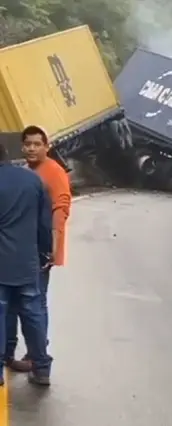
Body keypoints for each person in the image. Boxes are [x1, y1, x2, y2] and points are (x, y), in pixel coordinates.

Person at [5, 125, 71, 375]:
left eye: (37, 144)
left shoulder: (53, 172)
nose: (32, 148)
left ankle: (36, 356)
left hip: (41, 252)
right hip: (23, 250)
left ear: (47, 147)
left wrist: (53, 247)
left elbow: (61, 209)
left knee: (35, 304)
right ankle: (31, 354)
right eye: (28, 144)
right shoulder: (25, 171)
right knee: (23, 304)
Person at [0, 142, 53, 386]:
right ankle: (42, 368)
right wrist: (45, 253)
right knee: (33, 314)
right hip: (27, 261)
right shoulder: (32, 180)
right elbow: (44, 223)